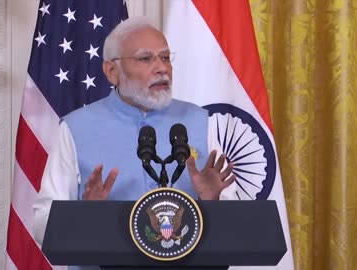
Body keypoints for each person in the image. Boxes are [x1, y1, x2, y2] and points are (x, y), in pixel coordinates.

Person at [32, 17, 237, 246]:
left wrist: (212, 201)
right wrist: (84, 215)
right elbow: (41, 224)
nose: (162, 68)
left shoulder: (200, 120)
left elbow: (235, 223)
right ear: (111, 71)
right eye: (145, 58)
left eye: (166, 58)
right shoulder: (75, 128)